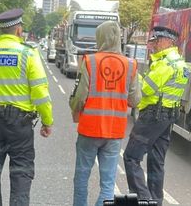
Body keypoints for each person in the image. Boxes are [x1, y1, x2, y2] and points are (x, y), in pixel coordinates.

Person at [0, 8, 53, 206]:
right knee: (21, 176)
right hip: (20, 126)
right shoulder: (28, 54)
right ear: (19, 31)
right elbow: (40, 93)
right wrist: (47, 122)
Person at [69, 21, 141, 206]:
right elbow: (135, 101)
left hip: (89, 130)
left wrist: (74, 106)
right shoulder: (131, 65)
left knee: (81, 178)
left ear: (99, 37)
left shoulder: (90, 61)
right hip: (114, 132)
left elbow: (80, 98)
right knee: (108, 184)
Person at [123, 26, 189, 206]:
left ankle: (143, 199)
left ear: (165, 41)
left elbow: (144, 89)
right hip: (168, 115)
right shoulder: (180, 63)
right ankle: (156, 200)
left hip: (152, 116)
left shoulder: (164, 65)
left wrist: (135, 78)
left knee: (131, 157)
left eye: (155, 42)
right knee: (156, 161)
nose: (152, 46)